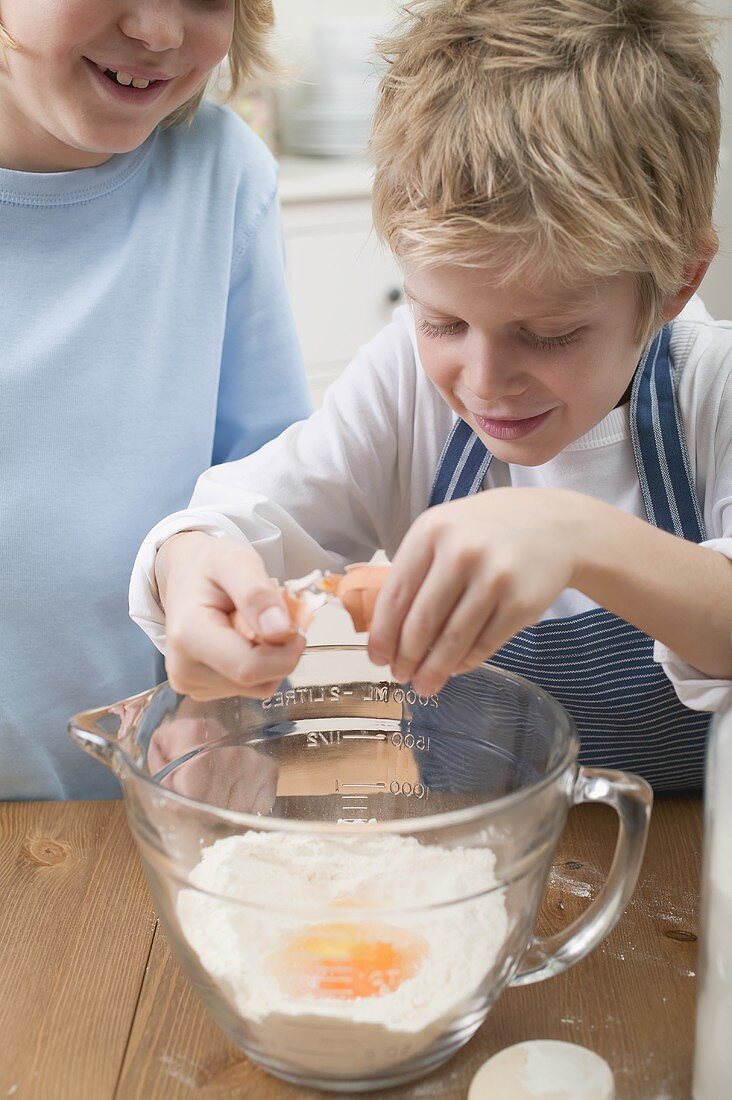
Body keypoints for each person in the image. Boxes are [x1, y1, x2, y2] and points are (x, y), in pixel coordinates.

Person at [130, 0, 732, 793]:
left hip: (690, 871)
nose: (484, 382)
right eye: (442, 320)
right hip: (478, 856)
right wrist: (194, 562)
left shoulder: (711, 389)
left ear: (675, 282)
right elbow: (249, 516)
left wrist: (577, 536)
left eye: (548, 333)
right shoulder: (406, 385)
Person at [0, 0, 311, 800]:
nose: (162, 33)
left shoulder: (222, 174)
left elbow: (266, 497)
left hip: (135, 802)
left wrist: (228, 698)